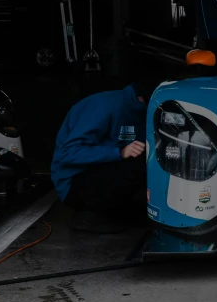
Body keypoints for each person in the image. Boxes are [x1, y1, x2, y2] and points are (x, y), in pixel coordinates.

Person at [51, 84, 148, 233]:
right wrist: (120, 152)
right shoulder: (105, 106)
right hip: (73, 183)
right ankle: (87, 216)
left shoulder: (140, 110)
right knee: (137, 165)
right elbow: (68, 153)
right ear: (143, 98)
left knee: (148, 161)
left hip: (97, 173)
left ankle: (113, 208)